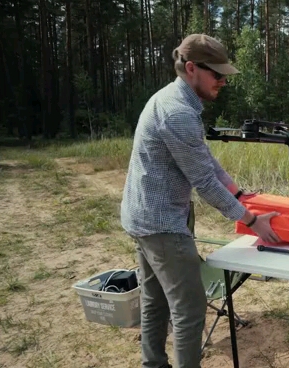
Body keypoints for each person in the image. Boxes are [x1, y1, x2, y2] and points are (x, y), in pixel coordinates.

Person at [120, 34, 280, 368]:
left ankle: (153, 363)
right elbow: (204, 181)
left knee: (155, 302)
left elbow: (204, 160)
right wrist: (252, 221)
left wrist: (239, 193)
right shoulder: (177, 112)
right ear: (191, 68)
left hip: (144, 217)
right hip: (162, 224)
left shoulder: (175, 100)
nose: (223, 81)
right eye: (217, 74)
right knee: (189, 311)